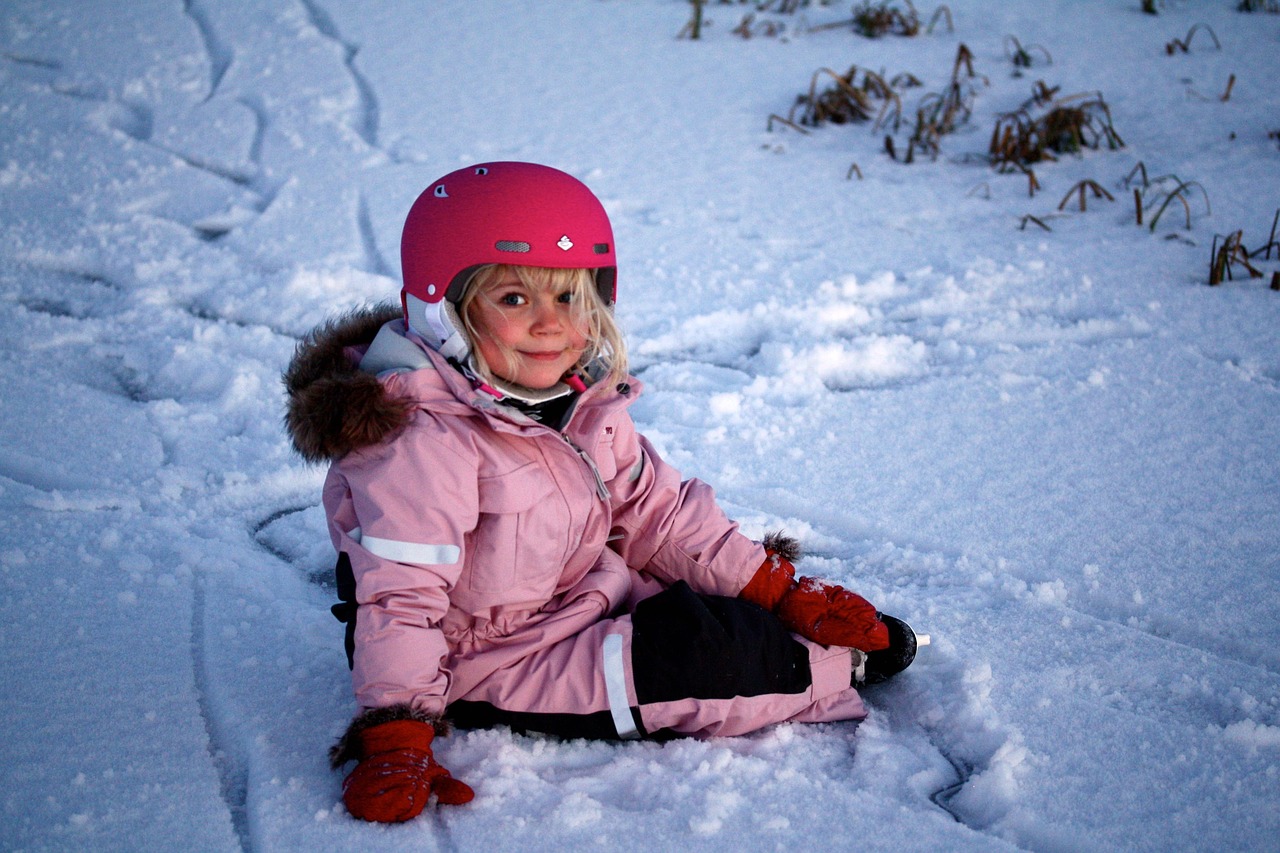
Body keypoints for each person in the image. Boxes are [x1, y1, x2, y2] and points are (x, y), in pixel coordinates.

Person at [283, 162, 919, 823]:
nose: (550, 324)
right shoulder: (421, 442)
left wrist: (778, 589)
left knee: (705, 594)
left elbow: (658, 513)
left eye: (567, 298)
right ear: (445, 312)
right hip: (487, 656)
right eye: (514, 298)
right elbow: (401, 597)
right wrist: (395, 731)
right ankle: (828, 670)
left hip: (578, 586)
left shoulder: (576, 399)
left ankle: (780, 625)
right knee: (702, 661)